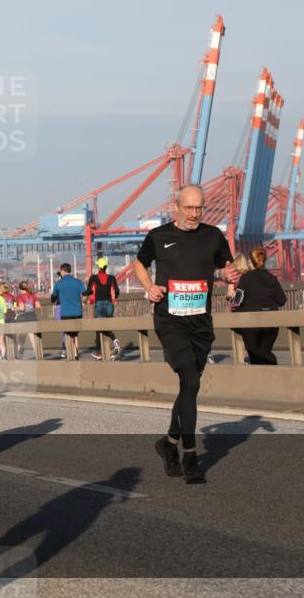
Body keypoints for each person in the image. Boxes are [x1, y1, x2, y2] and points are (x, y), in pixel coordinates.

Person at [134, 184, 234, 484]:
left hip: (201, 323)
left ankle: (168, 444)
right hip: (170, 320)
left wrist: (227, 277)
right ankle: (190, 456)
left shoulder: (213, 235)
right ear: (176, 206)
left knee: (189, 387)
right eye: (188, 208)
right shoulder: (159, 236)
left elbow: (224, 267)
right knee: (190, 379)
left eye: (199, 208)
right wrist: (149, 287)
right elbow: (140, 264)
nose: (194, 213)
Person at [233, 248, 287, 365]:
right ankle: (272, 374)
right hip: (271, 323)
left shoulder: (245, 278)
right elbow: (282, 300)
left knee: (255, 355)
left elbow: (237, 301)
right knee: (265, 351)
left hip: (251, 323)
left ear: (250, 261)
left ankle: (261, 378)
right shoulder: (272, 278)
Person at [86, 257, 121, 360]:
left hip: (99, 304)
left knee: (100, 327)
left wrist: (83, 293)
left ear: (99, 267)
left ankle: (102, 349)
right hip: (109, 304)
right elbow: (117, 291)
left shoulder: (93, 277)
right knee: (107, 326)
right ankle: (105, 347)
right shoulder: (111, 277)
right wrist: (115, 298)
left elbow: (89, 291)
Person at [51, 263, 86, 359]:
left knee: (67, 334)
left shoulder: (59, 283)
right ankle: (75, 353)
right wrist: (83, 302)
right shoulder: (78, 282)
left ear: (62, 271)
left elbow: (53, 297)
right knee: (75, 335)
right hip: (78, 312)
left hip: (65, 313)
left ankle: (70, 354)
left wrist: (53, 300)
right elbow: (85, 295)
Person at [14, 281, 40, 359]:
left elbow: (22, 308)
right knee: (33, 340)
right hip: (32, 317)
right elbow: (38, 306)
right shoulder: (33, 296)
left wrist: (14, 308)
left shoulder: (20, 296)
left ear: (20, 288)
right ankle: (38, 356)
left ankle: (19, 357)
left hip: (23, 318)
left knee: (21, 340)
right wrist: (31, 308)